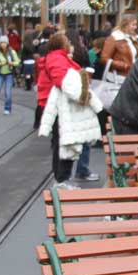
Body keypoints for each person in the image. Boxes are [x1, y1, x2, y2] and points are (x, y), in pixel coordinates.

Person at [37, 33, 104, 190]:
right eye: (67, 41)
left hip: (58, 104)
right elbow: (63, 81)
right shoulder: (57, 58)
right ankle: (61, 179)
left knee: (64, 141)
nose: (70, 43)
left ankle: (63, 178)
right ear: (62, 44)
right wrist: (82, 94)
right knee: (63, 142)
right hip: (60, 106)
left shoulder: (57, 57)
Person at [0, 35, 20, 115]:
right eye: (1, 43)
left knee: (8, 92)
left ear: (7, 43)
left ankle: (7, 108)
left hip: (9, 74)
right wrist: (0, 63)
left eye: (4, 42)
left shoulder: (12, 52)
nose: (3, 44)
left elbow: (18, 62)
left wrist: (11, 63)